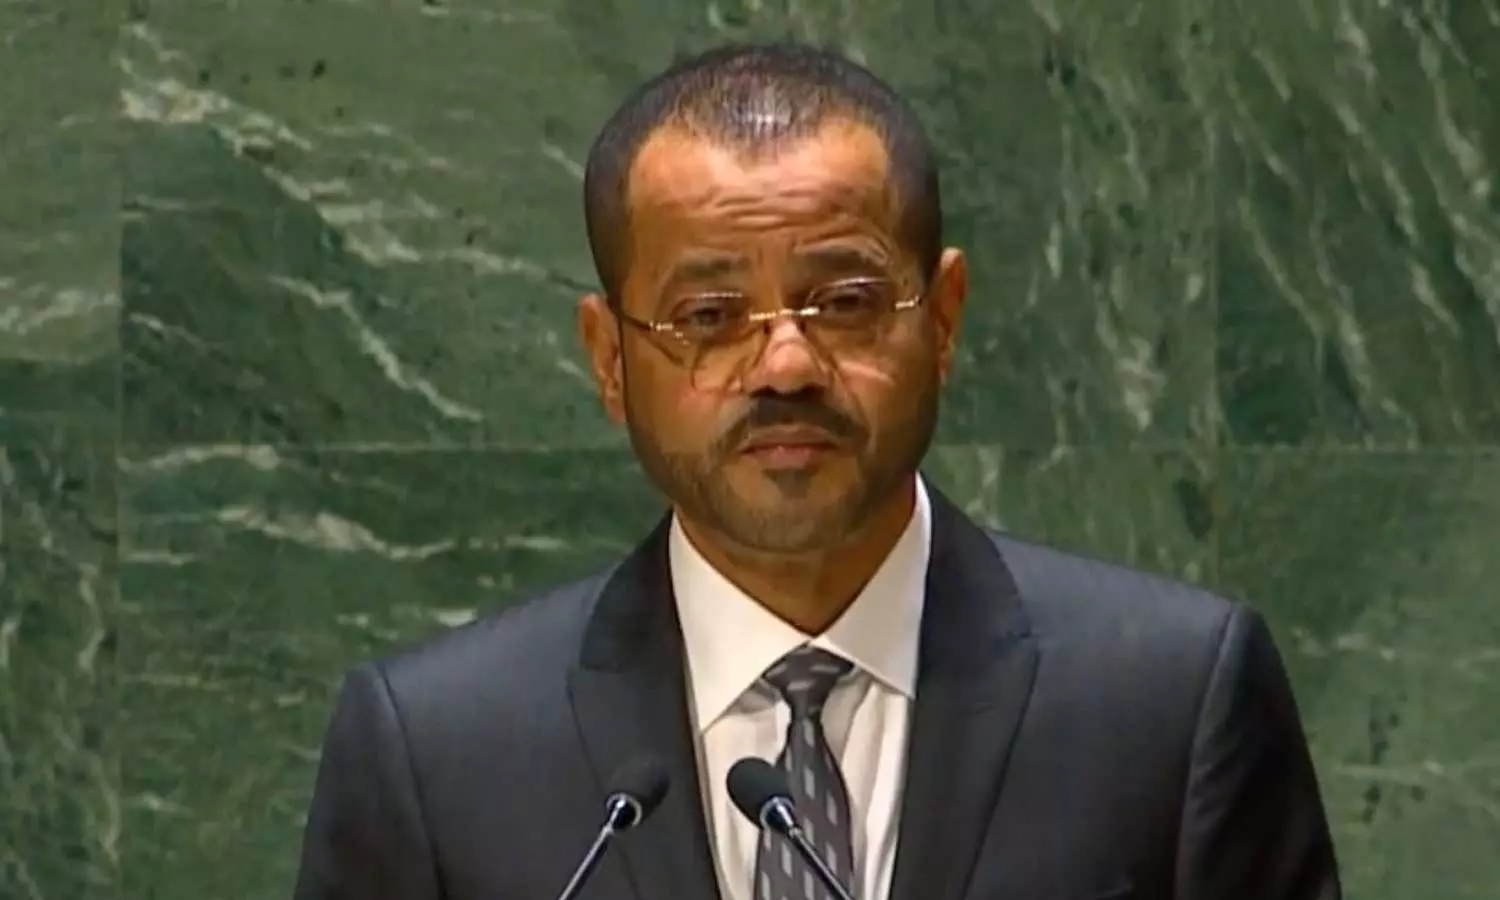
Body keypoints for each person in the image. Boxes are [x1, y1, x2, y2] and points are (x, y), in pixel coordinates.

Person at [293, 42, 1341, 900]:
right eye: (709, 316)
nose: (785, 364)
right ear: (611, 360)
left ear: (943, 320)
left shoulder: (1170, 705)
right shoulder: (440, 754)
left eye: (845, 303)